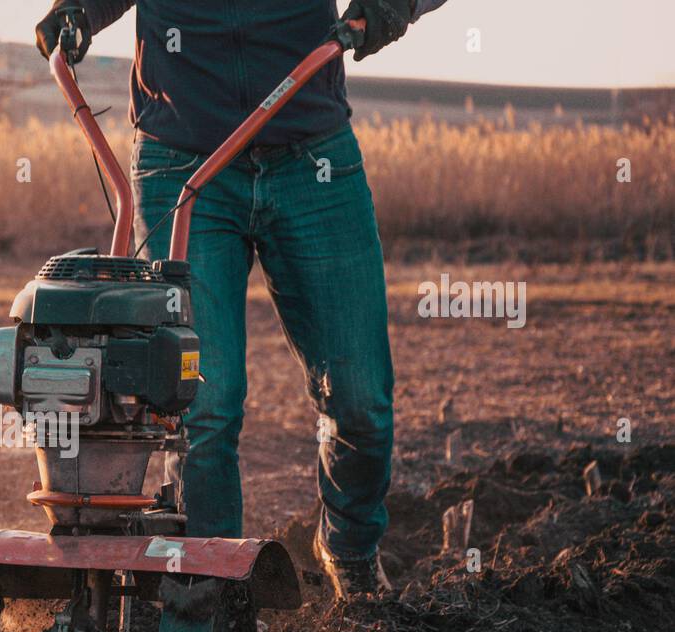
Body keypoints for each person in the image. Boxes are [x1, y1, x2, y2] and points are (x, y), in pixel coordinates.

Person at [35, 0, 448, 599]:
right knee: (206, 400)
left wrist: (390, 8)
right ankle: (212, 597)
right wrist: (74, 11)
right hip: (181, 158)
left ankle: (349, 549)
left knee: (360, 397)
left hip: (312, 157)